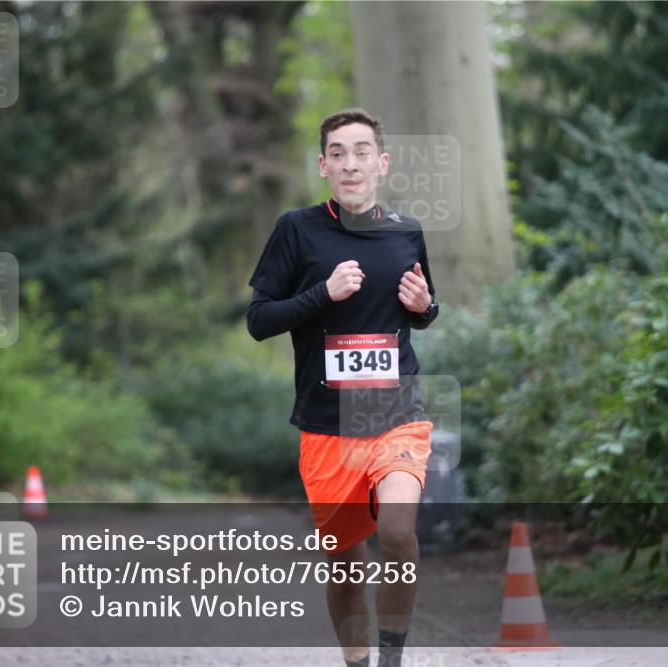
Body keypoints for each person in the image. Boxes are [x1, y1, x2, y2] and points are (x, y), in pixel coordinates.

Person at [247, 108, 439, 667]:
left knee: (398, 531)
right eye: (338, 154)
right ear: (323, 166)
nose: (350, 164)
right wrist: (322, 294)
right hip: (327, 426)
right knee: (346, 563)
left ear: (382, 163)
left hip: (396, 413)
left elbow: (423, 308)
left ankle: (391, 660)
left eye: (361, 152)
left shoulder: (406, 231)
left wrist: (426, 308)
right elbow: (259, 320)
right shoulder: (296, 229)